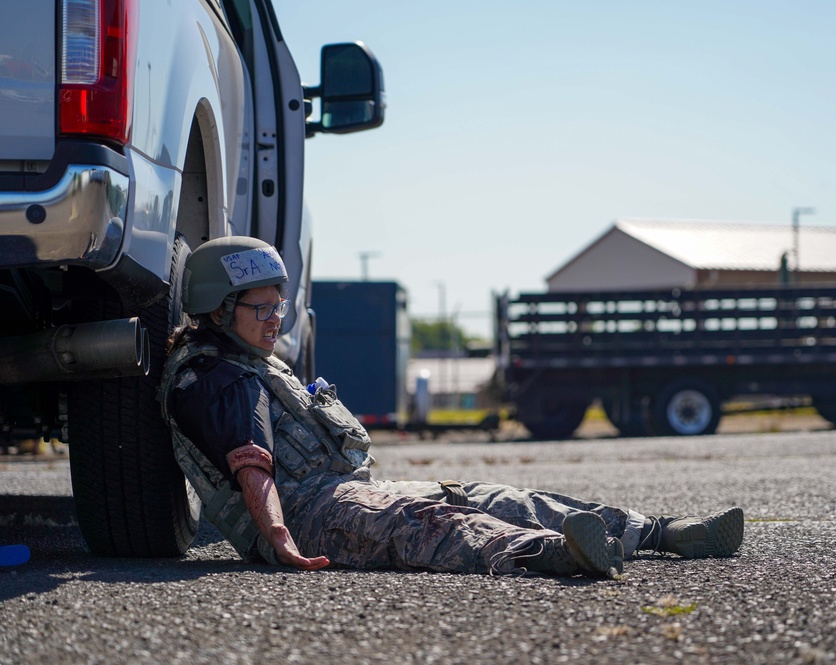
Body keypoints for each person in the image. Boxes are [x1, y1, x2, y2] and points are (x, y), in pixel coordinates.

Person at [159, 237, 744, 578]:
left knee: (494, 496)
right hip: (310, 514)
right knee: (437, 524)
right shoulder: (212, 378)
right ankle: (559, 555)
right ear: (218, 308)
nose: (274, 321)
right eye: (261, 309)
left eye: (278, 309)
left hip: (342, 491)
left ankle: (662, 532)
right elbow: (251, 462)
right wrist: (281, 539)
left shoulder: (253, 362)